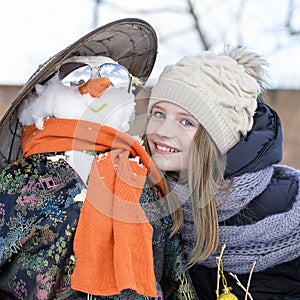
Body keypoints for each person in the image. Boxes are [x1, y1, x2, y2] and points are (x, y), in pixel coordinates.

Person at [0, 18, 198, 299]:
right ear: (43, 96)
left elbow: (176, 281)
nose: (98, 85)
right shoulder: (16, 183)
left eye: (114, 75)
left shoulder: (144, 179)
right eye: (75, 75)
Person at [145, 45, 300, 299]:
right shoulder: (146, 197)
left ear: (220, 138)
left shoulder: (286, 206)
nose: (162, 131)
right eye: (159, 113)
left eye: (186, 121)